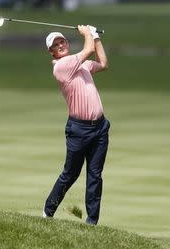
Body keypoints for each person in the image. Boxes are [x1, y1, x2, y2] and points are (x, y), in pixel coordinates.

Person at [43, 25, 110, 226]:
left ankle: (92, 221)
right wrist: (87, 33)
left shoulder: (81, 65)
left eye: (62, 41)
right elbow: (87, 50)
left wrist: (96, 37)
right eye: (56, 44)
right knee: (71, 173)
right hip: (78, 129)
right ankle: (48, 211)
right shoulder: (61, 66)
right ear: (52, 52)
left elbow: (103, 63)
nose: (60, 45)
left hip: (99, 128)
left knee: (95, 175)